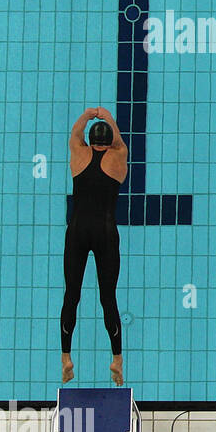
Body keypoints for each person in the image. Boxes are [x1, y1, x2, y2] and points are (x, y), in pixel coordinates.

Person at [61, 107, 128, 386]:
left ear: (90, 140)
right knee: (108, 298)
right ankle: (117, 360)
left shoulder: (79, 154)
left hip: (78, 231)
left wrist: (88, 114)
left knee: (72, 296)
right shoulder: (118, 157)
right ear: (109, 141)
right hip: (105, 232)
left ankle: (66, 358)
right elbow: (121, 142)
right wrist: (108, 117)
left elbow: (74, 134)